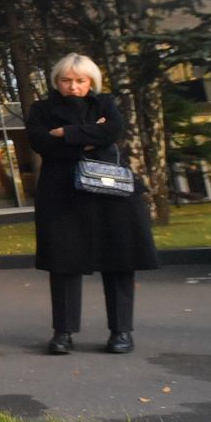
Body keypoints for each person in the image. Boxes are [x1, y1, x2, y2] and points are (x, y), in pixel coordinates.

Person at [23, 53, 160, 355]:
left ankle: (121, 332)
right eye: (66, 80)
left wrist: (67, 133)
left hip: (111, 193)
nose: (73, 87)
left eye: (80, 81)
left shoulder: (105, 103)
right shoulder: (42, 109)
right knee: (64, 263)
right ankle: (63, 333)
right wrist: (89, 136)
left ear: (91, 82)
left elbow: (113, 132)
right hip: (62, 196)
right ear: (57, 82)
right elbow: (40, 143)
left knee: (119, 260)